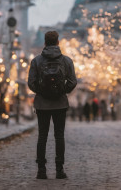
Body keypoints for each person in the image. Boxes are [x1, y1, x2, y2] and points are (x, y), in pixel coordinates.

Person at [28, 31, 77, 180]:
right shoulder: (66, 61)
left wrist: (42, 92)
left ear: (45, 42)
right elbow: (73, 82)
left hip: (42, 104)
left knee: (42, 136)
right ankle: (59, 170)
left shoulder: (36, 61)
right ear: (58, 42)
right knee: (59, 136)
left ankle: (41, 170)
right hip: (60, 104)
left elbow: (31, 83)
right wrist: (61, 92)